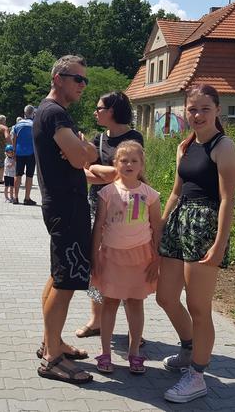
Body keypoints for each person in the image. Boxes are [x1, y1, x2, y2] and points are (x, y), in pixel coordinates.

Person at [157, 84, 235, 403]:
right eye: (192, 109)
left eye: (205, 108)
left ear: (217, 109)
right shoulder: (184, 146)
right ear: (185, 111)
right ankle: (189, 349)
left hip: (205, 227)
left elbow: (227, 199)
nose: (198, 115)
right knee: (165, 297)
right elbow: (177, 192)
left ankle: (198, 375)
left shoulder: (224, 146)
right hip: (179, 224)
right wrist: (161, 226)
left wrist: (219, 243)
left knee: (199, 307)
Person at [33, 55, 98, 384]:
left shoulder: (50, 112)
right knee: (66, 282)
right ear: (59, 78)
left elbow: (81, 156)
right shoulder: (55, 113)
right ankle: (52, 359)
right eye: (78, 79)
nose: (83, 85)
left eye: (84, 80)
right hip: (66, 207)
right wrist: (86, 149)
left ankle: (52, 341)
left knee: (59, 275)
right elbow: (80, 158)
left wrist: (83, 149)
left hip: (61, 205)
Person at [77, 92, 145, 340]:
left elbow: (129, 174)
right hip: (97, 207)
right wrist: (104, 171)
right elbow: (86, 172)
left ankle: (133, 329)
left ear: (113, 110)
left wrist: (100, 170)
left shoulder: (133, 138)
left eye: (99, 108)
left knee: (126, 267)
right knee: (96, 267)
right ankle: (95, 320)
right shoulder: (99, 138)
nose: (96, 112)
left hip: (126, 213)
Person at [90, 141, 161, 375]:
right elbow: (98, 225)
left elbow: (157, 228)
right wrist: (94, 257)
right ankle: (105, 353)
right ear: (115, 164)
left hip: (141, 257)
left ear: (142, 165)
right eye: (124, 160)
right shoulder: (107, 192)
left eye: (134, 161)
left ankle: (134, 353)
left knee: (135, 303)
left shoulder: (150, 194)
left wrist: (157, 259)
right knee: (108, 302)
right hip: (110, 255)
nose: (128, 164)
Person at [11, 105, 37, 205]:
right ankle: (27, 198)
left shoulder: (17, 125)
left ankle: (15, 197)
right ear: (33, 113)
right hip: (31, 153)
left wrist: (13, 151)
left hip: (19, 152)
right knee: (29, 176)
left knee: (18, 175)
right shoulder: (34, 124)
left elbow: (14, 138)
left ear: (24, 113)